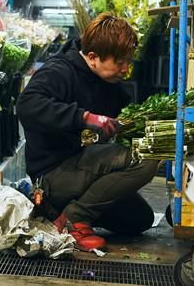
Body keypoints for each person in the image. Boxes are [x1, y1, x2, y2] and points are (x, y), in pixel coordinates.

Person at [17, 13, 158, 251]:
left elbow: (123, 116)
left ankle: (57, 213)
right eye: (120, 62)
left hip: (81, 165)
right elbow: (27, 104)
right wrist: (84, 117)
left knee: (139, 219)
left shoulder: (109, 84)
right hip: (53, 174)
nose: (126, 69)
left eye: (128, 61)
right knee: (145, 157)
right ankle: (72, 219)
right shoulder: (59, 71)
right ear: (92, 57)